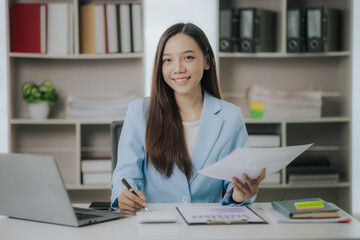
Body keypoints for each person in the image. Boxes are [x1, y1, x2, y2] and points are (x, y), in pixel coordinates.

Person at [110, 23, 266, 215]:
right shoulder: (140, 112)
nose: (178, 69)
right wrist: (123, 196)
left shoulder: (230, 117)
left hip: (207, 225)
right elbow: (125, 175)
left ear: (207, 61)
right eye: (168, 60)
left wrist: (240, 195)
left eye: (188, 57)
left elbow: (235, 182)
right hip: (155, 224)